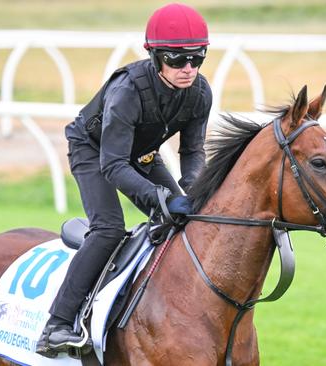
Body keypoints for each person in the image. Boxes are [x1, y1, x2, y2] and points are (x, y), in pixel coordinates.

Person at [36, 2, 213, 357]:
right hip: (95, 151)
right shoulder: (128, 91)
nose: (188, 68)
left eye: (198, 58)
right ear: (154, 56)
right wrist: (161, 198)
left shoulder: (200, 93)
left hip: (140, 153)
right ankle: (56, 325)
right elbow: (114, 165)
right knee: (109, 229)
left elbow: (192, 153)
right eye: (176, 59)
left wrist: (194, 190)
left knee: (185, 219)